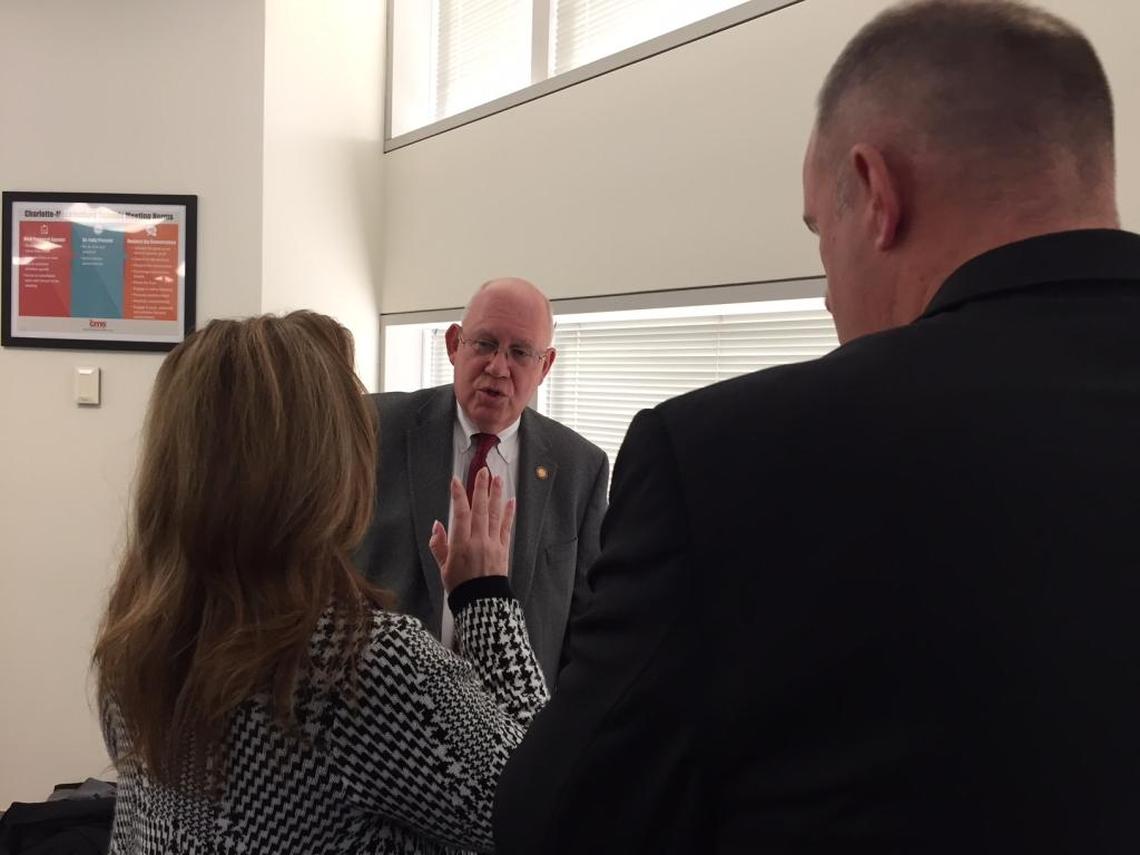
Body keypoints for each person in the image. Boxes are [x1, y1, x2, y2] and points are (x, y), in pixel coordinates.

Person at [494, 2, 1140, 852]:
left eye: (817, 231)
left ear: (876, 194)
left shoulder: (726, 463)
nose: (829, 289)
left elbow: (556, 824)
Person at [92, 311, 548, 854]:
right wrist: (485, 601)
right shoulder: (361, 666)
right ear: (327, 466)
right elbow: (551, 805)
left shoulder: (137, 637)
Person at [359, 277, 608, 686]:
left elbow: (588, 629)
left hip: (513, 728)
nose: (498, 367)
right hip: (386, 720)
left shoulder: (580, 466)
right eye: (485, 344)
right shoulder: (375, 427)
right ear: (455, 344)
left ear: (544, 366)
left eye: (520, 353)